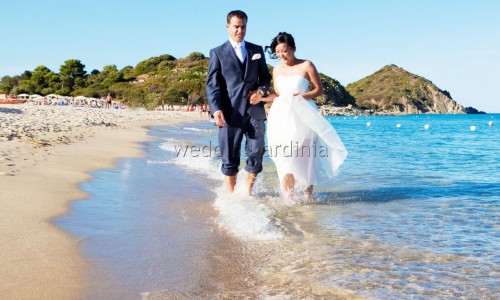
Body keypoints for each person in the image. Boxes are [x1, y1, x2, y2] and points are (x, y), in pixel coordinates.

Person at [250, 32, 348, 198]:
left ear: (293, 49)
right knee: (284, 157)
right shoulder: (277, 69)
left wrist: (301, 96)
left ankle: (307, 197)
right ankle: (289, 199)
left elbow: (319, 90)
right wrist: (262, 98)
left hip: (304, 115)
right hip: (281, 117)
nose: (282, 55)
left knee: (305, 156)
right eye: (278, 51)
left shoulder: (306, 65)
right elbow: (278, 94)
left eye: (285, 51)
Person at [206, 10, 272, 195]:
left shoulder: (256, 50)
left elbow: (265, 78)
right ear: (228, 26)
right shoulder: (217, 53)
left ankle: (248, 193)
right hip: (229, 112)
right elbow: (212, 85)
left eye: (243, 27)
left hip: (254, 111)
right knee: (229, 156)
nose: (240, 30)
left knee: (257, 152)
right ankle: (231, 196)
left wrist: (260, 91)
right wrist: (216, 109)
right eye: (236, 26)